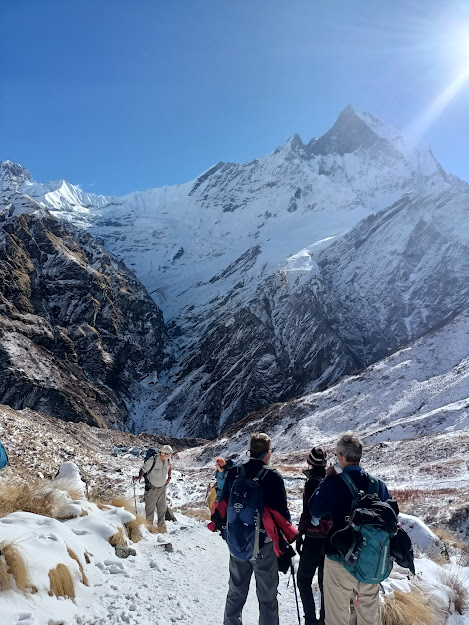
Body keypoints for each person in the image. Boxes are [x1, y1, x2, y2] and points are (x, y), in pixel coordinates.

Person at [309, 432, 392, 625]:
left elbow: (315, 510)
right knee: (369, 617)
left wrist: (326, 480)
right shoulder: (378, 484)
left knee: (337, 618)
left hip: (339, 558)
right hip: (371, 559)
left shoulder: (333, 482)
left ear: (340, 457)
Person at [211, 433, 294, 625]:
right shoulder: (272, 476)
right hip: (264, 545)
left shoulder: (235, 472)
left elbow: (222, 505)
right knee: (267, 599)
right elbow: (283, 516)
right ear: (267, 453)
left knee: (235, 592)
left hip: (237, 542)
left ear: (251, 450)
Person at [296, 446, 332, 625]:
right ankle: (324, 620)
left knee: (303, 580)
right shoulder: (331, 481)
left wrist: (299, 533)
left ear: (309, 462)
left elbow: (307, 512)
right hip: (329, 541)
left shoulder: (311, 483)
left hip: (312, 540)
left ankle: (310, 620)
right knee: (325, 583)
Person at [134, 444, 173, 532]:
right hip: (152, 489)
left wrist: (169, 477)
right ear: (164, 453)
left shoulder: (168, 459)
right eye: (169, 454)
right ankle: (149, 530)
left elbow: (169, 467)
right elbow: (143, 469)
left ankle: (162, 530)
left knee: (162, 510)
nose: (170, 456)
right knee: (150, 511)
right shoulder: (153, 460)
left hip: (162, 488)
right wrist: (139, 476)